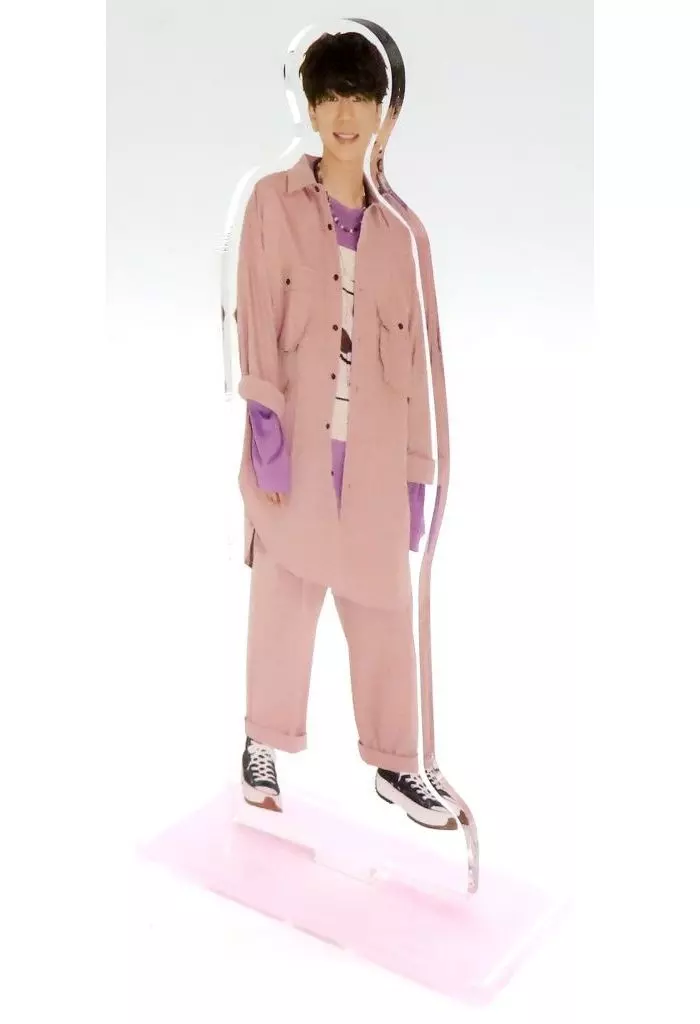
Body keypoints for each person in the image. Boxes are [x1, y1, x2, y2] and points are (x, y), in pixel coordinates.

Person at [235, 31, 457, 830]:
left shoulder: (406, 236)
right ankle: (262, 741)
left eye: (360, 97)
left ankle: (398, 763)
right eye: (330, 95)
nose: (344, 113)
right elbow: (255, 315)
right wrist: (264, 425)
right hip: (294, 451)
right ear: (310, 104)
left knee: (386, 612)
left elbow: (422, 365)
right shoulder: (272, 203)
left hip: (374, 462)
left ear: (386, 114)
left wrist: (418, 473)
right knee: (282, 602)